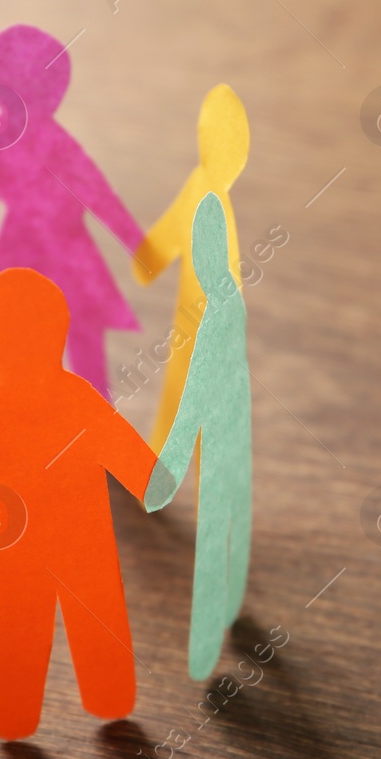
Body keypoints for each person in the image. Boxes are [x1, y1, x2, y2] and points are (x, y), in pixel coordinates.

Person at [0, 268, 164, 740]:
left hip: (24, 550)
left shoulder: (1, 413)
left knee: (22, 628)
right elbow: (137, 465)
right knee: (87, 616)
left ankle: (19, 716)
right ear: (59, 332)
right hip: (80, 544)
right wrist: (155, 484)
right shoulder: (75, 399)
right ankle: (101, 698)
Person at [0, 24, 143, 400]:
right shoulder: (7, 136)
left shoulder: (39, 139)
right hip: (35, 255)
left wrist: (135, 241)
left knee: (77, 339)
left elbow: (93, 190)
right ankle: (45, 423)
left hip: (53, 254)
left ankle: (93, 425)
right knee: (32, 342)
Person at [145, 194, 253, 679]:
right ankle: (230, 606)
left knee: (215, 530)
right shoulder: (233, 297)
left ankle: (208, 642)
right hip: (238, 437)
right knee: (236, 514)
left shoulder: (217, 312)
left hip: (219, 437)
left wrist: (168, 466)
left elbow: (194, 398)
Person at [133, 84, 248, 449]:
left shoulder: (215, 203)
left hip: (206, 319)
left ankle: (174, 462)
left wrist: (148, 263)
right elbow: (174, 226)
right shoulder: (202, 188)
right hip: (195, 314)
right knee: (182, 385)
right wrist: (148, 260)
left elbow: (226, 272)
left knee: (189, 387)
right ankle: (165, 462)